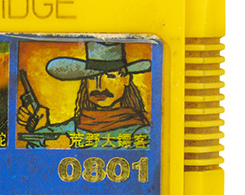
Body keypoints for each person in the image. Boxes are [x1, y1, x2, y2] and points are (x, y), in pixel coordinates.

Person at [17, 41, 150, 146]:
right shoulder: (69, 129)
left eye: (110, 76)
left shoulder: (141, 134)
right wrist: (40, 132)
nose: (99, 86)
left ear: (125, 79)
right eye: (92, 77)